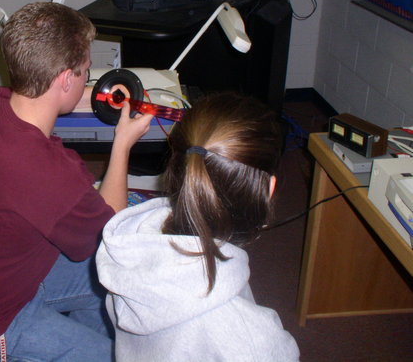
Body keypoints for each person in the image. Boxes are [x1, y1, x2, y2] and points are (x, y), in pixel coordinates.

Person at [0, 1, 153, 362]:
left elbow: (32, 138)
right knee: (118, 353)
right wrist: (122, 143)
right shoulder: (49, 173)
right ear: (65, 80)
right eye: (85, 73)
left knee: (116, 282)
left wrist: (69, 101)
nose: (87, 79)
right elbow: (112, 227)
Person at [96, 92, 300, 362]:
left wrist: (121, 145)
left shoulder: (130, 247)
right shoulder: (256, 343)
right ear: (268, 189)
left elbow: (113, 217)